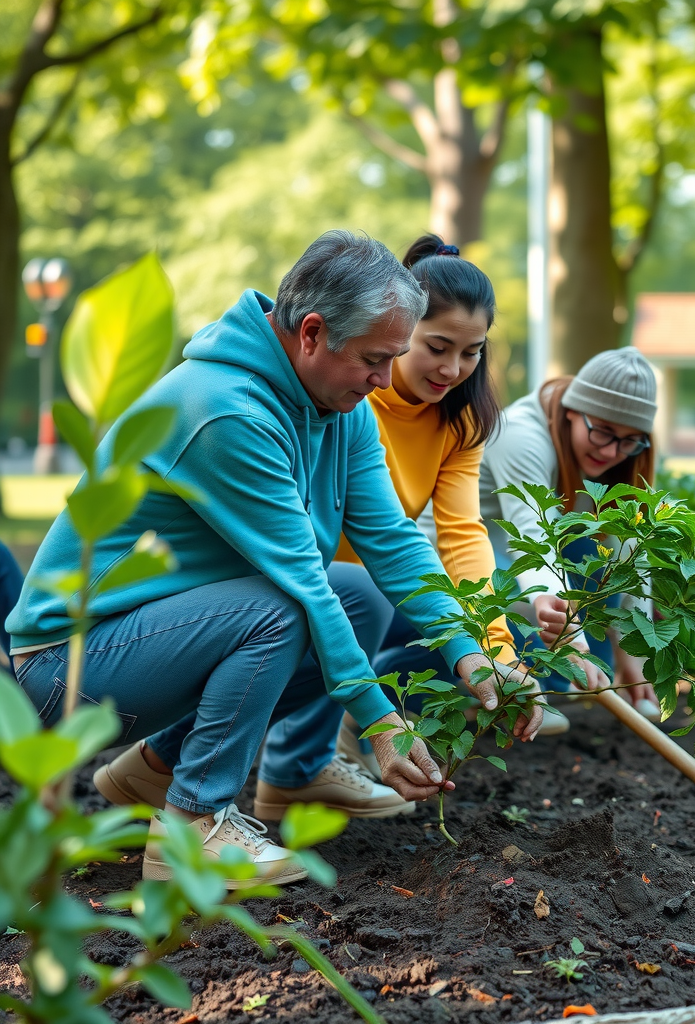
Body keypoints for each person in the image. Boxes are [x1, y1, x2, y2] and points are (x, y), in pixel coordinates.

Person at [7, 231, 540, 888]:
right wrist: (380, 722)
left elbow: (395, 541)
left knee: (360, 595)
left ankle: (156, 771)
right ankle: (194, 826)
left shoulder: (341, 406)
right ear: (312, 333)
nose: (383, 380)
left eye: (393, 359)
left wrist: (471, 654)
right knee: (285, 606)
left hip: (150, 646)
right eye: (374, 359)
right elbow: (302, 584)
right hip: (69, 670)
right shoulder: (226, 411)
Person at [269, 233, 546, 784]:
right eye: (437, 347)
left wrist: (496, 651)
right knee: (356, 600)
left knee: (447, 613)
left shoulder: (459, 421)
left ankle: (327, 751)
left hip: (379, 580)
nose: (453, 369)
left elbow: (462, 536)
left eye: (472, 351)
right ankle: (298, 767)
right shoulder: (351, 394)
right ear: (398, 332)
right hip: (312, 575)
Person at [479, 347, 662, 721]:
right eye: (604, 431)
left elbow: (631, 551)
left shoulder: (608, 458)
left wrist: (634, 654)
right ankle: (521, 687)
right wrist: (574, 644)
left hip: (515, 560)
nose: (612, 452)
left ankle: (565, 685)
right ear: (572, 410)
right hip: (469, 558)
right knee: (542, 579)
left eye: (630, 440)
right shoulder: (521, 435)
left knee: (594, 553)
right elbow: (532, 542)